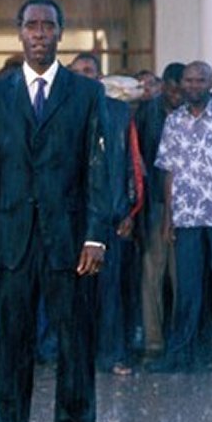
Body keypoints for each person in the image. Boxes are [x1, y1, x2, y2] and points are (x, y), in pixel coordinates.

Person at [0, 0, 109, 422]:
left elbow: (98, 167)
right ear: (20, 32)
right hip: (10, 242)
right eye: (32, 25)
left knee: (75, 348)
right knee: (11, 350)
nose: (41, 33)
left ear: (61, 33)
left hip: (70, 243)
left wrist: (96, 235)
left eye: (49, 25)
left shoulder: (86, 94)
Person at [148, 61, 212, 375]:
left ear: (211, 83)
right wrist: (169, 217)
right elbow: (169, 171)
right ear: (181, 83)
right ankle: (180, 355)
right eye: (189, 80)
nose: (194, 85)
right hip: (187, 217)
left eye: (200, 80)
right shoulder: (174, 121)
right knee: (188, 288)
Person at [69, 53, 142, 376]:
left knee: (109, 291)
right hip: (70, 217)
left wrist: (130, 210)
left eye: (89, 71)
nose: (83, 76)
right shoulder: (59, 110)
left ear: (99, 77)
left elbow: (132, 165)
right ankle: (73, 356)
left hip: (110, 215)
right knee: (73, 292)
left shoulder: (119, 112)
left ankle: (111, 354)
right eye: (77, 72)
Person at [134, 62, 184, 356]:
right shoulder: (146, 112)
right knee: (152, 273)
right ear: (163, 86)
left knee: (181, 277)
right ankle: (153, 341)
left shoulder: (194, 113)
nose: (177, 96)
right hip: (154, 202)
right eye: (172, 89)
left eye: (181, 90)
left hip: (187, 207)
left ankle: (179, 341)